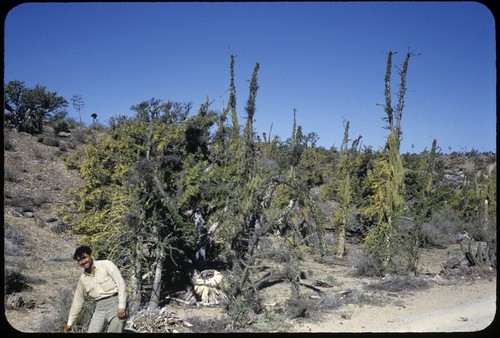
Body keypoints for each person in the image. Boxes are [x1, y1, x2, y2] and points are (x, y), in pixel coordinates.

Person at [63, 246, 127, 333]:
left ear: (90, 255)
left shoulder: (106, 265)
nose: (83, 261)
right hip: (99, 308)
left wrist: (122, 306)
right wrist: (69, 323)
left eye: (84, 258)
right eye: (80, 260)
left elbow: (121, 284)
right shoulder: (83, 279)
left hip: (115, 303)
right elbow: (77, 302)